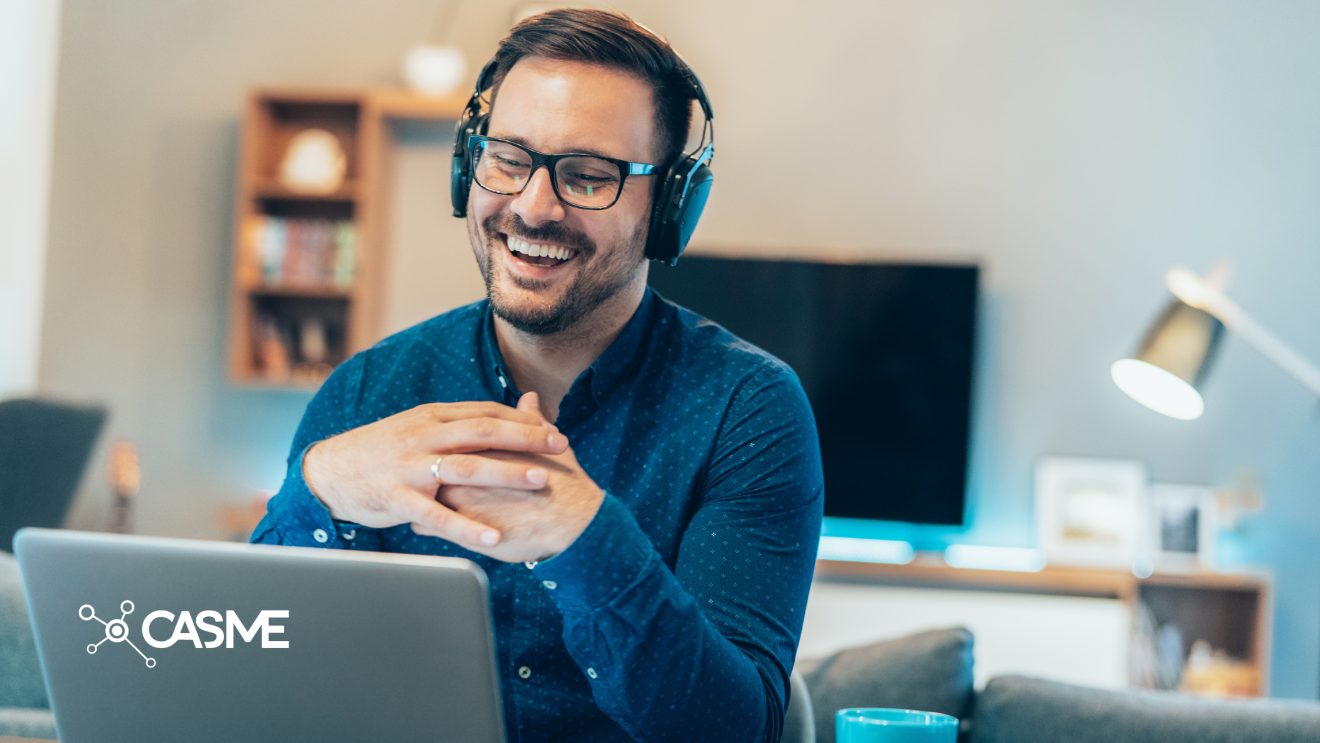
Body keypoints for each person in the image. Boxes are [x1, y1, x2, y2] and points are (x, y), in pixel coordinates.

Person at [252, 9, 823, 743]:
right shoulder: (366, 393)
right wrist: (318, 489)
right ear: (470, 165)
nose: (531, 206)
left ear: (668, 210)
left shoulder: (747, 412)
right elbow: (258, 671)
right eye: (508, 158)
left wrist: (586, 538)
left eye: (588, 177)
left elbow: (732, 730)